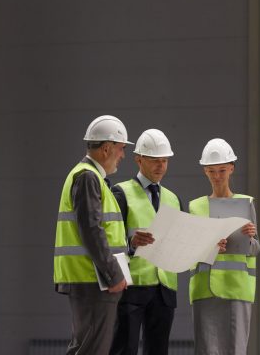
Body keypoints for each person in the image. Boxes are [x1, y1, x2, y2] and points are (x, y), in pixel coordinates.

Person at [53, 115, 133, 354]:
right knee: (92, 349)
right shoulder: (89, 177)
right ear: (106, 148)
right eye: (121, 148)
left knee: (85, 346)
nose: (123, 155)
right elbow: (91, 230)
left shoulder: (90, 176)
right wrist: (113, 274)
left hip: (91, 278)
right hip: (93, 279)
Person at [110, 129, 182, 355]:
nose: (161, 166)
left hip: (164, 290)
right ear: (138, 159)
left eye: (164, 160)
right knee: (124, 349)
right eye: (154, 160)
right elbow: (110, 241)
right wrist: (131, 243)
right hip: (132, 287)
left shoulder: (173, 198)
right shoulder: (121, 193)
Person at [188, 138, 260, 355]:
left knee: (235, 350)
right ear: (205, 172)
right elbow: (187, 250)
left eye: (221, 170)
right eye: (211, 171)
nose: (217, 176)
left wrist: (250, 238)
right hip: (204, 290)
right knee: (205, 350)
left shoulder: (246, 203)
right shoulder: (195, 207)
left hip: (236, 289)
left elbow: (256, 249)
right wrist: (209, 248)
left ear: (231, 169)